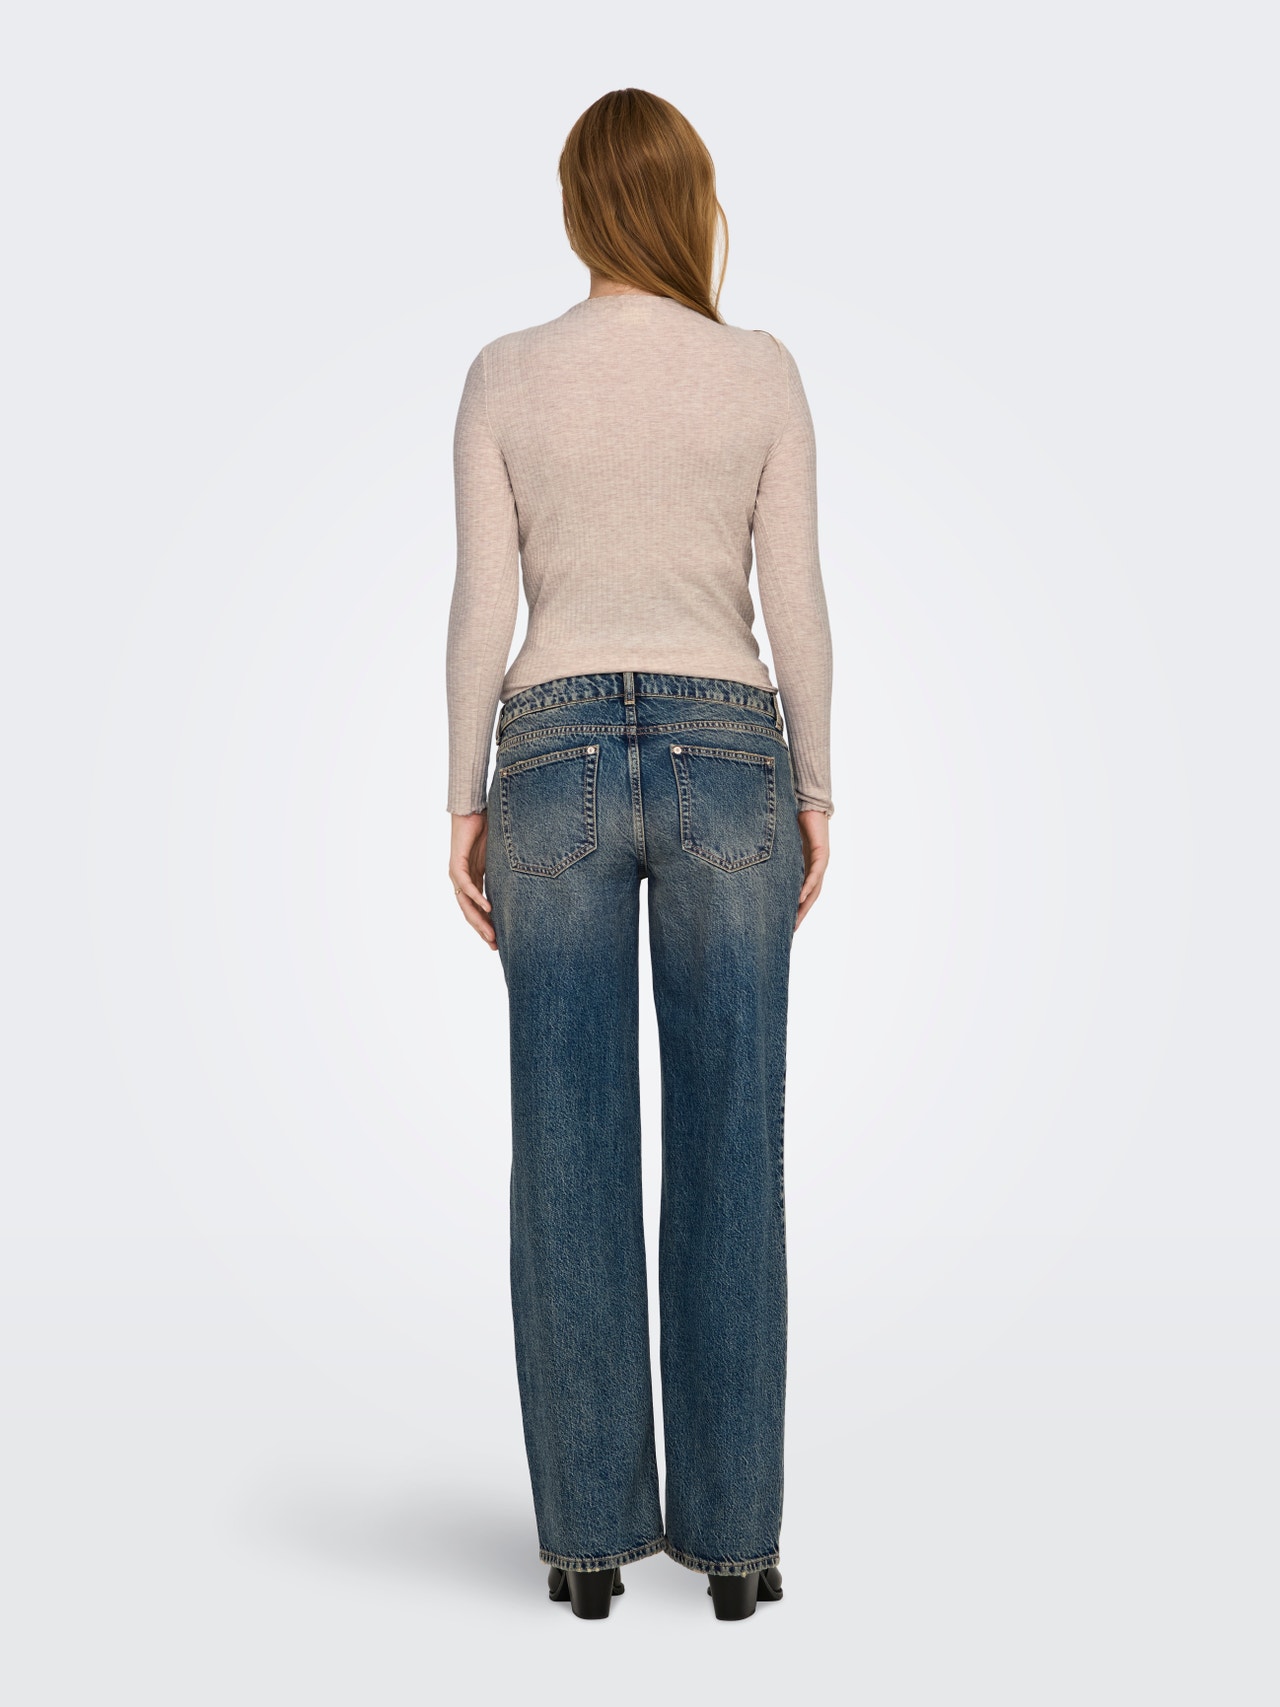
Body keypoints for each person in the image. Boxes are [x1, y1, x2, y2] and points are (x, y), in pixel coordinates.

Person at [444, 88, 834, 1622]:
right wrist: (817, 785)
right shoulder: (758, 371)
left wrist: (462, 792)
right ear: (688, 203)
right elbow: (795, 597)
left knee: (567, 1137)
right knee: (733, 1137)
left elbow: (483, 603)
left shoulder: (505, 374)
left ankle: (589, 1543)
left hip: (548, 755)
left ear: (578, 208)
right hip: (731, 749)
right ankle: (736, 1550)